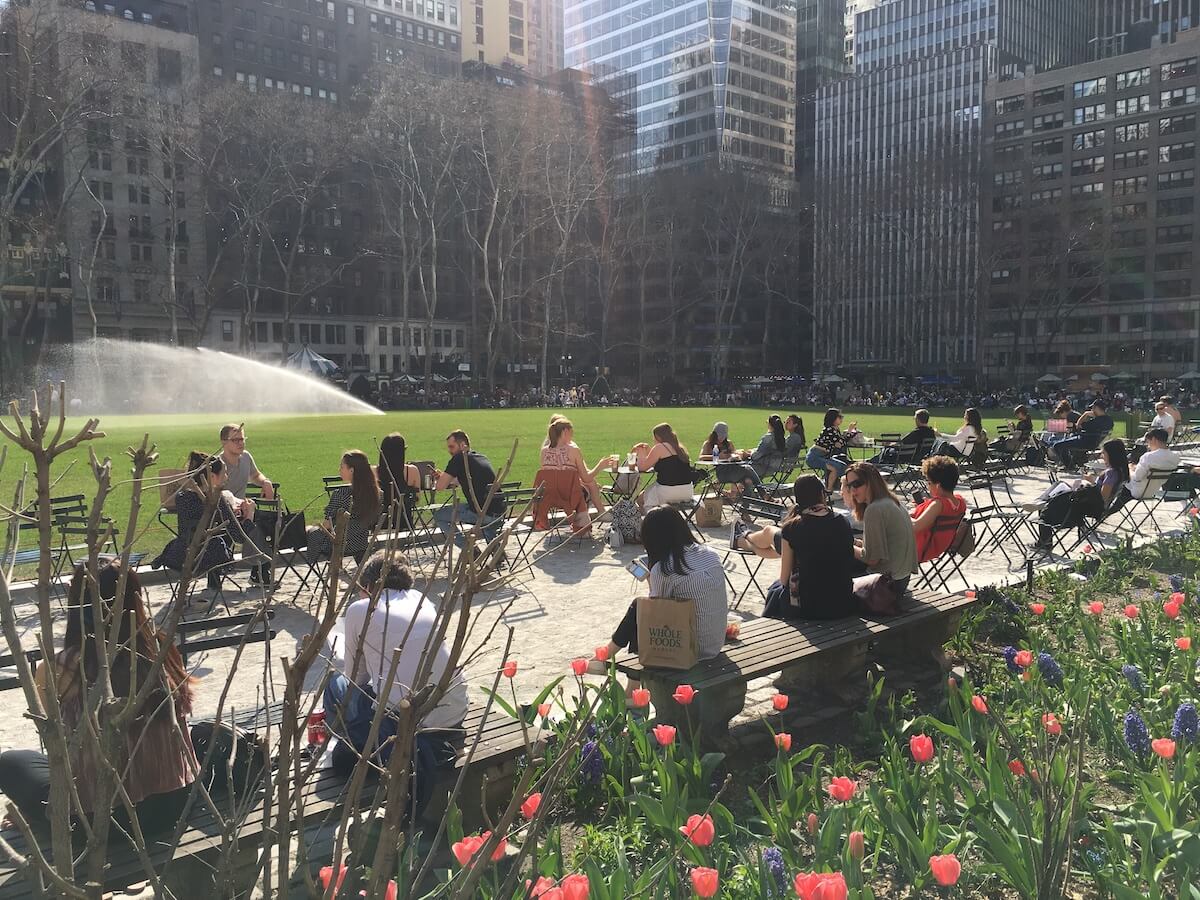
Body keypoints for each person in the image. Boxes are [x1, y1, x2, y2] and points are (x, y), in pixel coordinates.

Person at [0, 562, 198, 834]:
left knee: (11, 763)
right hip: (174, 805)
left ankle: (35, 820)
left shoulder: (61, 668)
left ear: (77, 604)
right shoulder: (161, 651)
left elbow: (58, 746)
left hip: (101, 822)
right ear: (135, 599)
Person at [323, 551, 467, 809]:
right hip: (452, 711)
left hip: (409, 718)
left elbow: (356, 678)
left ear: (367, 586)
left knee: (335, 684)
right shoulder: (422, 600)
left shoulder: (362, 609)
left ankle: (350, 742)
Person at [586, 507, 727, 688]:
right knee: (641, 610)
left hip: (691, 650)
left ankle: (608, 661)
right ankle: (608, 661)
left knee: (641, 611)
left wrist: (649, 577)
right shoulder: (710, 554)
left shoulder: (665, 569)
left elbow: (654, 610)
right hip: (714, 642)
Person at [762, 475, 856, 620]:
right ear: (822, 495)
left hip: (810, 607)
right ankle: (746, 539)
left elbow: (784, 578)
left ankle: (745, 539)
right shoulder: (842, 521)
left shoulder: (792, 527)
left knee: (776, 589)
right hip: (843, 602)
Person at [151, 451, 235, 592]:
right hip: (210, 556)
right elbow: (239, 536)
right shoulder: (218, 501)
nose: (226, 477)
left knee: (213, 535)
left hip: (182, 553)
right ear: (213, 477)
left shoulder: (181, 498)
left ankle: (213, 582)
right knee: (222, 538)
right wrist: (249, 513)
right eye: (224, 474)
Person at [1031, 440, 1130, 550]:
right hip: (1090, 505)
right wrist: (1091, 482)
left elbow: (1102, 497)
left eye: (1104, 453)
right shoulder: (1120, 471)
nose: (1102, 456)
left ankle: (1040, 507)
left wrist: (1089, 484)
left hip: (1088, 507)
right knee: (1059, 487)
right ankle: (1041, 502)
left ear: (1112, 454)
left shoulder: (1111, 473)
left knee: (1053, 496)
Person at [845, 462, 918, 594]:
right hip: (901, 580)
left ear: (871, 482)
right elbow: (883, 547)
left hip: (885, 586)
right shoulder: (894, 502)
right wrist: (856, 543)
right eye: (849, 486)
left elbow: (872, 559)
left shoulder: (874, 509)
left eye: (857, 484)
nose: (853, 491)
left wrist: (845, 546)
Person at [218, 424, 276, 584]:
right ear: (223, 442)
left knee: (268, 523)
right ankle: (258, 571)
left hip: (244, 512)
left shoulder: (246, 457)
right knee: (257, 526)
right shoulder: (217, 464)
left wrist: (265, 482)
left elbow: (255, 474)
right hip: (223, 513)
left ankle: (259, 572)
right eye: (235, 439)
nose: (240, 443)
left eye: (242, 439)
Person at [433, 431, 507, 548]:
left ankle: (468, 549)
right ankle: (496, 553)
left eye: (452, 446)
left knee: (439, 516)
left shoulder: (458, 459)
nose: (449, 451)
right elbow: (462, 481)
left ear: (463, 445)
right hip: (499, 512)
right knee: (483, 512)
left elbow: (440, 487)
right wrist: (446, 477)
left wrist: (441, 479)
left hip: (482, 514)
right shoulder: (481, 458)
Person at [306, 450, 381, 564]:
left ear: (352, 470)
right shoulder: (377, 494)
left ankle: (312, 562)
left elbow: (327, 525)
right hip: (361, 542)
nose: (339, 470)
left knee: (311, 532)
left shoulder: (341, 494)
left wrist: (311, 528)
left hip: (337, 544)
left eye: (342, 467)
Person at [539, 416, 618, 517]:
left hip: (550, 495)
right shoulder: (573, 450)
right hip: (570, 495)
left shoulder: (544, 451)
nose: (572, 437)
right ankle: (595, 515)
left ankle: (594, 514)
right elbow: (586, 477)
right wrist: (600, 466)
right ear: (564, 432)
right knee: (589, 484)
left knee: (587, 485)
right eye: (571, 433)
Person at [910, 456, 968, 564]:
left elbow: (915, 526)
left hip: (920, 549)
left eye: (929, 482)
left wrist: (902, 513)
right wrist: (922, 507)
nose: (928, 485)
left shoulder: (938, 504)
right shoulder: (960, 502)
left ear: (938, 485)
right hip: (939, 547)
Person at [632, 423, 695, 508]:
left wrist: (640, 453)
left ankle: (651, 520)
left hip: (667, 491)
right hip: (687, 492)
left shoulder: (660, 447)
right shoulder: (680, 448)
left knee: (640, 500)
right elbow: (662, 461)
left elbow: (642, 467)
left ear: (657, 436)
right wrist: (648, 451)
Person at [1051, 399, 1113, 468]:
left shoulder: (1096, 421)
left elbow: (1078, 425)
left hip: (1084, 441)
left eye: (1093, 408)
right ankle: (1070, 464)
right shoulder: (1109, 420)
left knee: (1057, 445)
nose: (1092, 410)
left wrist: (1085, 414)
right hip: (1094, 442)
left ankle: (1069, 466)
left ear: (1097, 408)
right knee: (1063, 442)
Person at [377, 433, 421, 529]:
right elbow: (417, 498)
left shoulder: (374, 471)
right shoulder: (412, 471)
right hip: (404, 520)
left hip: (380, 522)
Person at [806, 408, 855, 492]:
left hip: (825, 456)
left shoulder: (835, 430)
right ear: (833, 418)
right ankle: (828, 490)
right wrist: (849, 431)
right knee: (834, 468)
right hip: (814, 457)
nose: (841, 419)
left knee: (843, 466)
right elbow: (840, 443)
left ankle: (835, 487)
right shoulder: (829, 430)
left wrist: (848, 434)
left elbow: (840, 443)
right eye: (839, 417)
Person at [1128, 428, 1181, 499]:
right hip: (1155, 491)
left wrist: (1129, 469)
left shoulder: (1148, 456)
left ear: (1153, 439)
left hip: (1139, 491)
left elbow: (1137, 478)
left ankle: (1112, 507)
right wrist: (1136, 468)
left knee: (1120, 474)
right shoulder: (1175, 457)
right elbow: (1158, 467)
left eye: (1148, 441)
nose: (1147, 445)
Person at [871, 409, 935, 464]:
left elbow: (900, 444)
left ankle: (871, 463)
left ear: (918, 419)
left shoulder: (916, 433)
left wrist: (888, 444)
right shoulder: (931, 433)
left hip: (906, 457)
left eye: (915, 418)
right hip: (920, 457)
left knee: (886, 450)